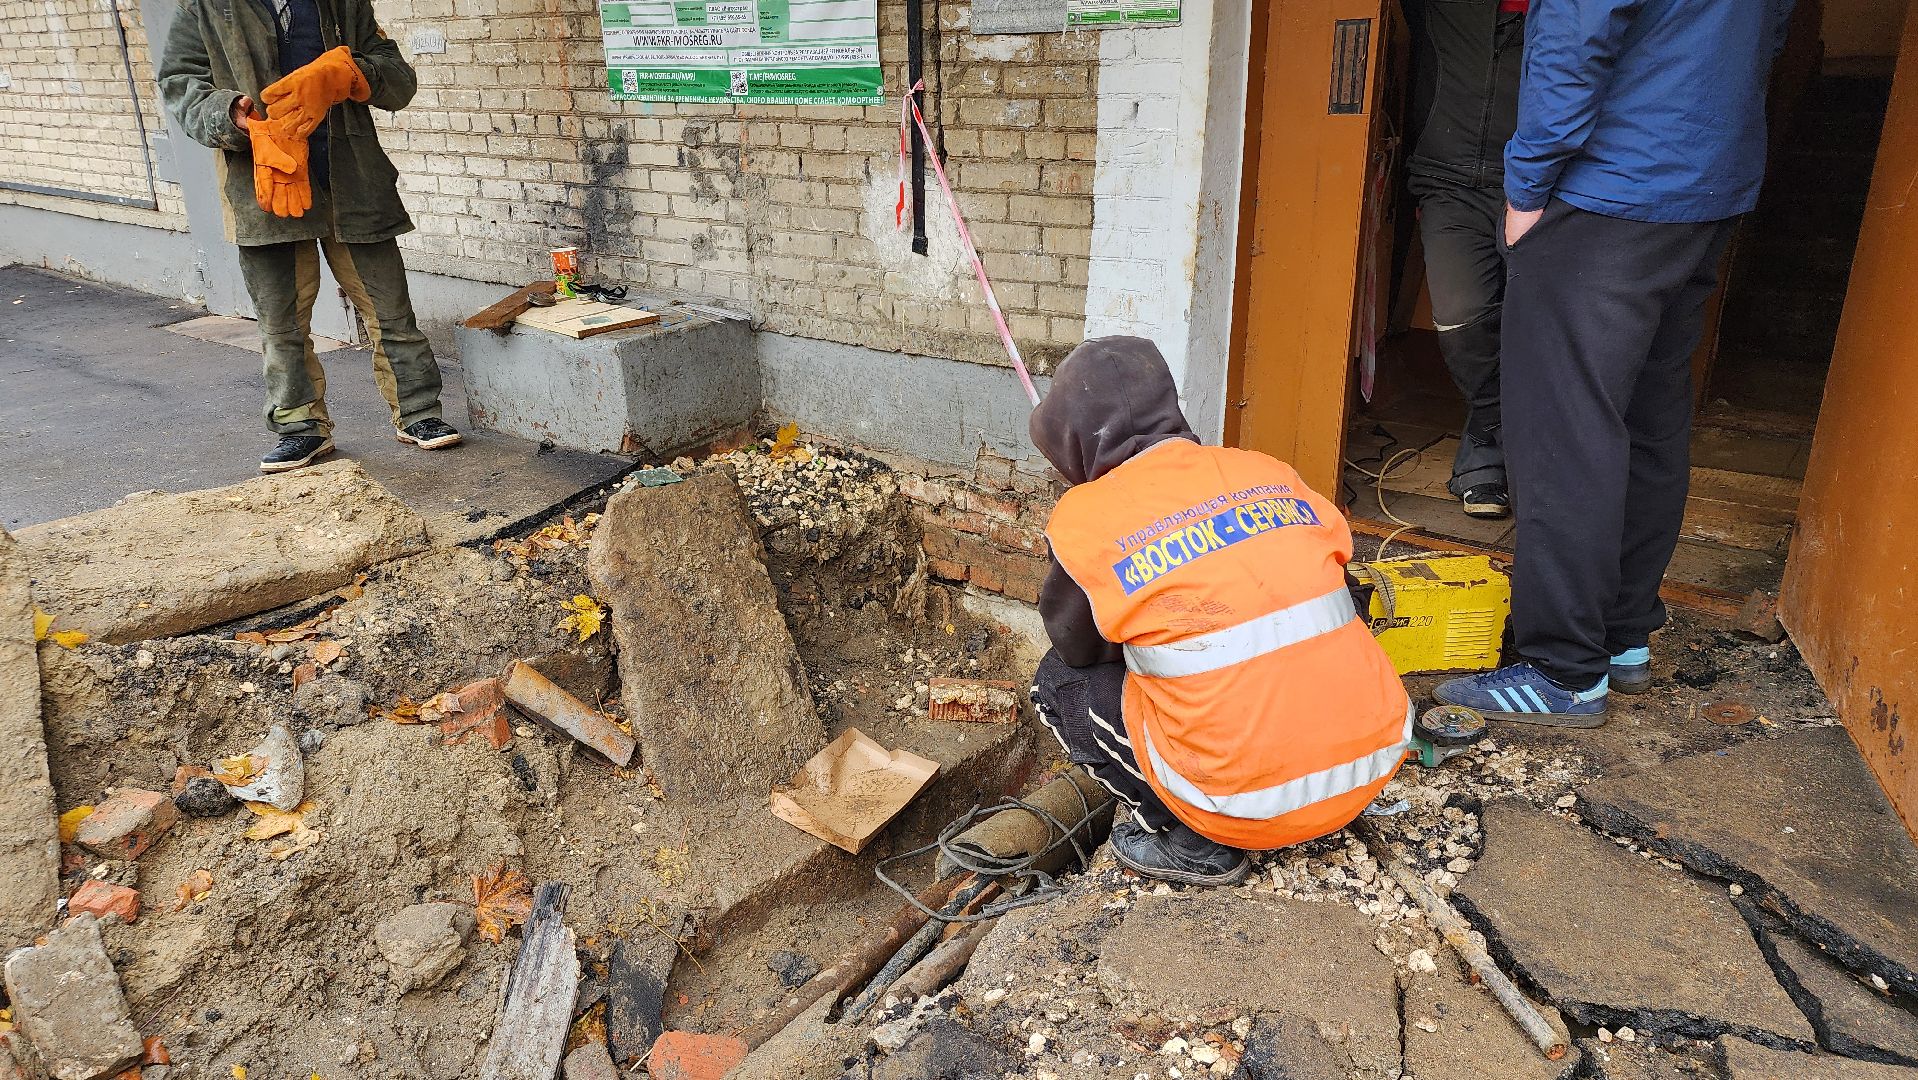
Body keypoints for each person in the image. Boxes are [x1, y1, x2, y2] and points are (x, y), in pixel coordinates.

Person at [1436, 0, 1796, 725]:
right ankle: (1621, 636)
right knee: (1647, 414)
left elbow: (1576, 32)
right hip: (1704, 178)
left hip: (1608, 183)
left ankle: (1562, 668)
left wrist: (1527, 182)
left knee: (1564, 430)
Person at [1028, 336, 1412, 885]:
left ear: (1066, 439)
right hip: (1370, 768)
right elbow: (1341, 593)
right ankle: (1315, 779)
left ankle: (1188, 840)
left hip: (1245, 809)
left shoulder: (1086, 520)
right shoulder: (1265, 471)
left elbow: (1077, 646)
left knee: (1059, 683)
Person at [158, 0, 462, 473]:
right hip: (266, 182)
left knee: (390, 311)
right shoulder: (204, 6)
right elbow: (180, 86)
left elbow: (397, 79)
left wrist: (349, 75)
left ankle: (419, 413)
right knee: (282, 324)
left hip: (352, 179)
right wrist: (234, 117)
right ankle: (301, 428)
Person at [1402, 0, 1528, 518]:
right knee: (1461, 318)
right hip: (1445, 179)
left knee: (1534, 325)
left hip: (1536, 184)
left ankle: (1491, 462)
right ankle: (1491, 431)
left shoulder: (1569, 10)